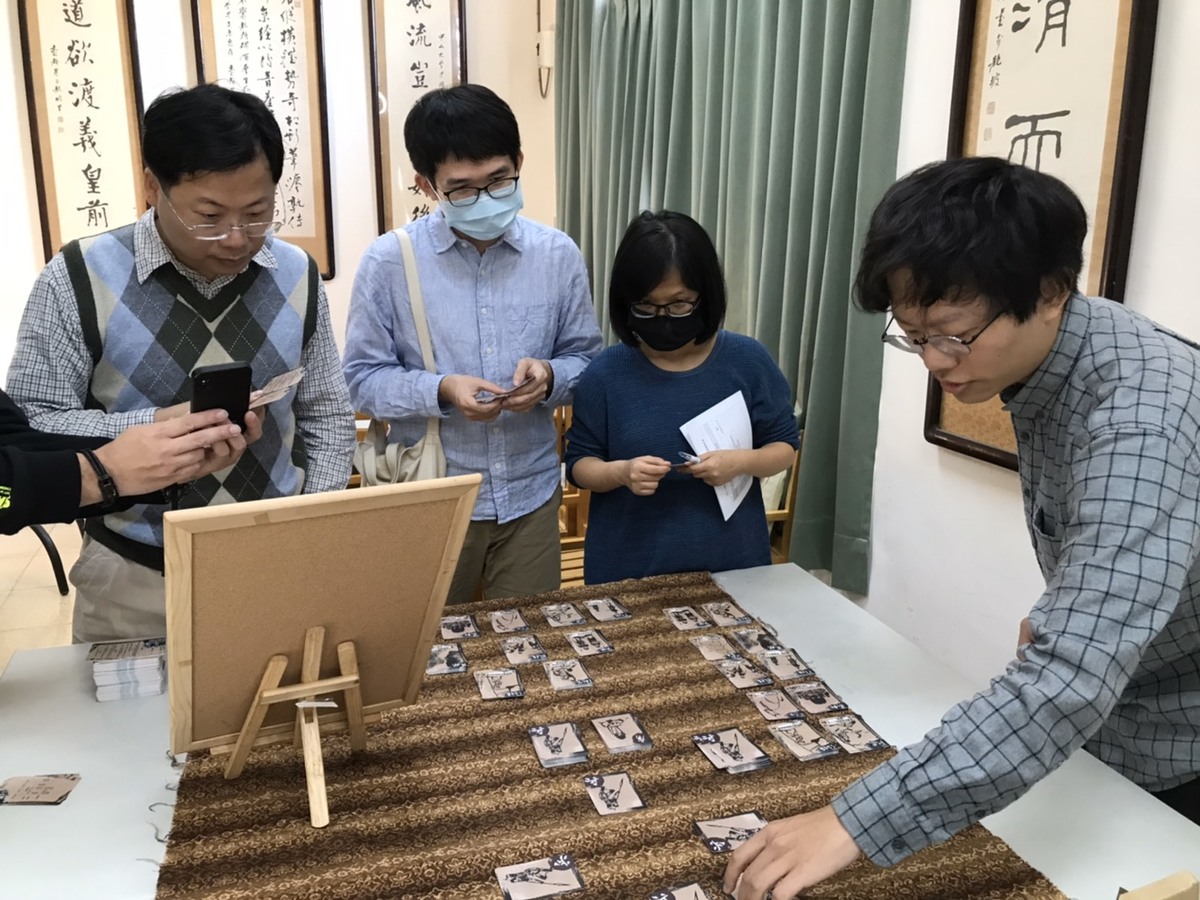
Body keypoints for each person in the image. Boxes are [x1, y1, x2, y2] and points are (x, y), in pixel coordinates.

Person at [724, 156, 1200, 900]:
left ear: (1049, 292)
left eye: (953, 335)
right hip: (1125, 716)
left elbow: (1071, 679)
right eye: (914, 335)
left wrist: (853, 823)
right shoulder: (1059, 359)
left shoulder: (1139, 417)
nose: (935, 361)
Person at [7, 83, 355, 643]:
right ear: (153, 188)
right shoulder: (77, 277)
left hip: (277, 565)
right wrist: (155, 428)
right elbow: (31, 424)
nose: (237, 238)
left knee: (278, 726)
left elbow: (328, 413)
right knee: (130, 731)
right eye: (210, 216)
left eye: (258, 212)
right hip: (136, 573)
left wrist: (313, 524)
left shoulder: (296, 272)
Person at [344, 84, 602, 605]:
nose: (484, 198)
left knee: (532, 643)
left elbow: (587, 360)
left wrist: (551, 378)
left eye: (499, 179)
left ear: (519, 163)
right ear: (426, 185)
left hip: (530, 494)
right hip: (433, 498)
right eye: (462, 189)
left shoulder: (557, 255)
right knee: (430, 652)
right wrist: (442, 390)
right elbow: (360, 380)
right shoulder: (389, 262)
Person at [564, 211, 799, 583]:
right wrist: (621, 472)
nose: (663, 318)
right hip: (628, 569)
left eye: (679, 304)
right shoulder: (606, 373)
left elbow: (784, 447)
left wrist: (739, 462)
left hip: (734, 564)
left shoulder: (748, 361)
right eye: (646, 307)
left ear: (705, 297)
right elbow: (579, 464)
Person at [0, 389, 259, 534]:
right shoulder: (64, 292)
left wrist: (167, 456)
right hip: (123, 553)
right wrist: (102, 473)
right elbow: (39, 416)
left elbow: (15, 436)